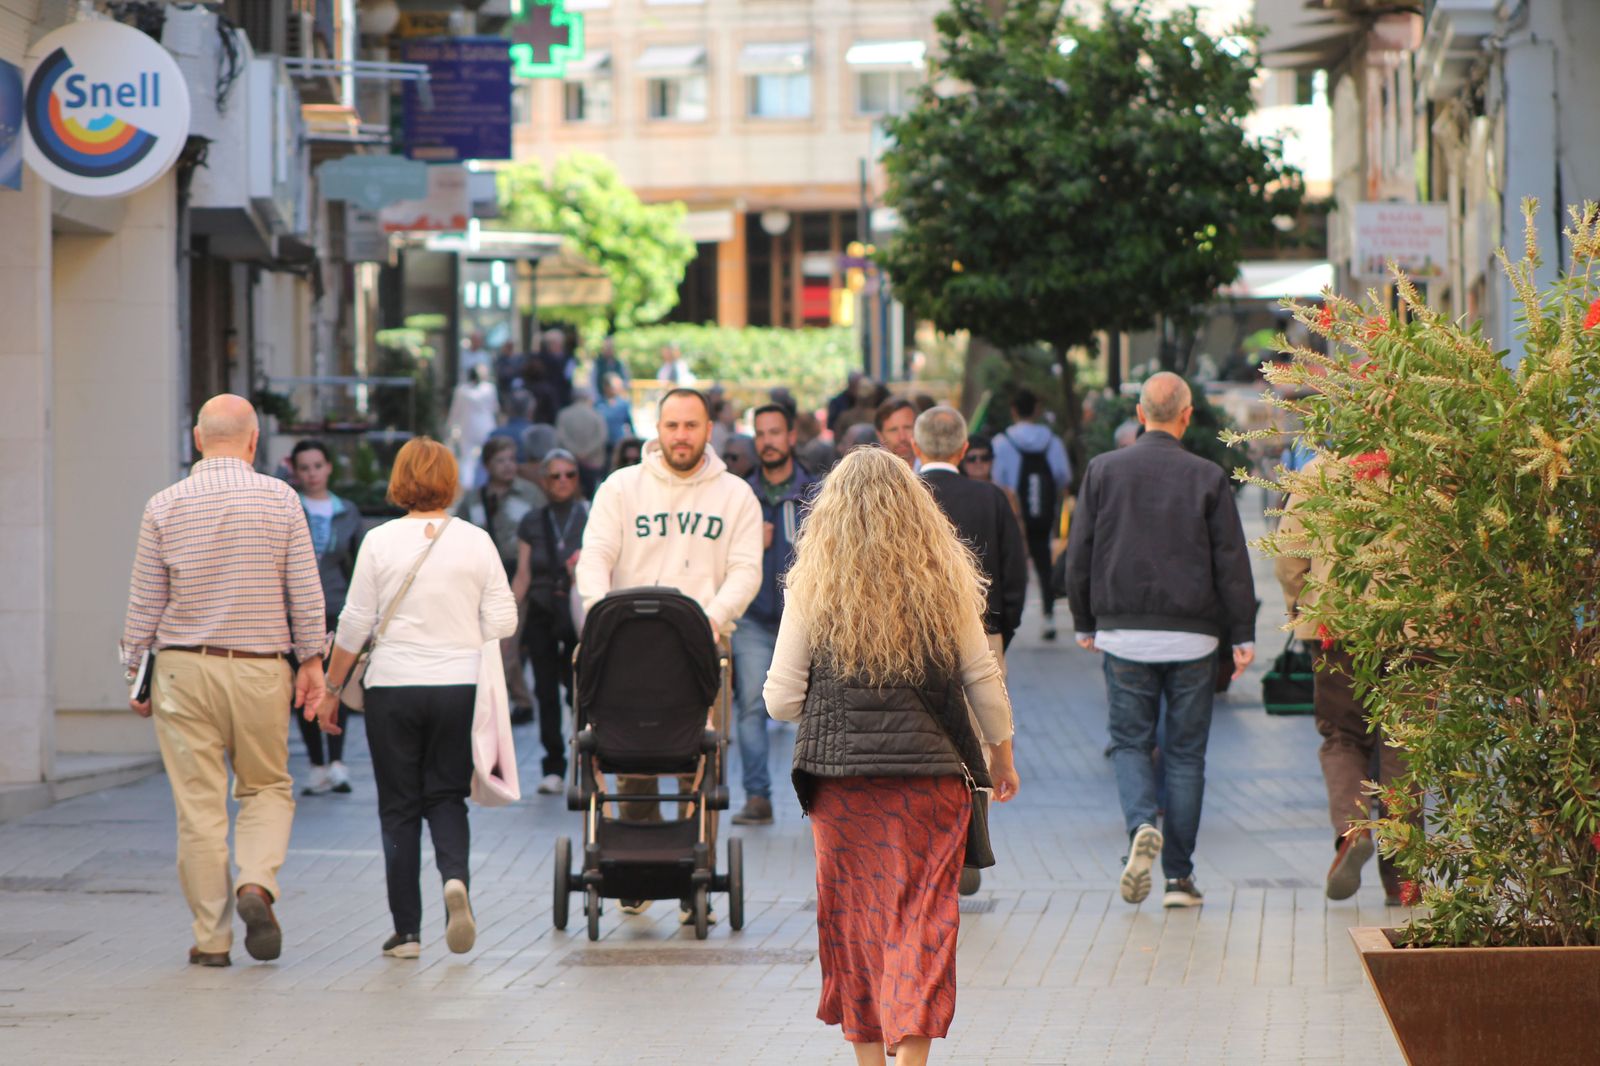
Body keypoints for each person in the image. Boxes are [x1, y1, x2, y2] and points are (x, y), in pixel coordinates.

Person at [763, 447, 1021, 1066]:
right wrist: (1001, 758)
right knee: (922, 922)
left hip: (840, 787)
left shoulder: (812, 584)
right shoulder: (945, 580)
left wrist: (832, 707)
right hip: (929, 783)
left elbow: (778, 699)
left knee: (854, 923)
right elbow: (982, 675)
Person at [120, 394, 327, 967]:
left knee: (199, 806)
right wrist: (313, 662)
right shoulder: (281, 499)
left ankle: (211, 940)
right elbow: (306, 593)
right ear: (255, 441)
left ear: (197, 439)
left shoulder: (164, 504)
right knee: (266, 787)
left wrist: (135, 672)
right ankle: (256, 884)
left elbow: (144, 602)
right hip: (261, 668)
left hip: (184, 670)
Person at [1062, 372, 1256, 910]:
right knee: (1186, 756)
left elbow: (1081, 551)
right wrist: (1241, 633)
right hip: (1194, 638)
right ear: (1187, 416)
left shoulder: (1103, 471)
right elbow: (1232, 562)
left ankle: (1142, 824)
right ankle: (1179, 879)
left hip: (1124, 632)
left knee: (1129, 741)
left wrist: (1083, 620)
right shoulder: (1209, 476)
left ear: (1141, 413)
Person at [318, 438, 518, 959]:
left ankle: (406, 931)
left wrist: (331, 689)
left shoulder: (379, 541)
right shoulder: (475, 540)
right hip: (457, 686)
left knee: (399, 809)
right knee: (446, 797)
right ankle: (455, 880)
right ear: (450, 480)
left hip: (393, 687)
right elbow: (504, 620)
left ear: (399, 479)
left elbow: (355, 622)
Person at [576, 387, 763, 920]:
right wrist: (599, 612)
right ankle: (633, 872)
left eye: (691, 426)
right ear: (656, 429)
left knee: (698, 763)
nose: (681, 435)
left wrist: (710, 620)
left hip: (703, 648)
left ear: (710, 430)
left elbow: (746, 570)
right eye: (672, 425)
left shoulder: (735, 496)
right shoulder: (621, 488)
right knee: (632, 761)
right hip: (628, 652)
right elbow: (595, 558)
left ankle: (689, 875)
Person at [1276, 457, 1409, 905]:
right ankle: (1405, 882)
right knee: (1404, 745)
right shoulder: (1430, 466)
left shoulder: (1319, 472)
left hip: (1338, 628)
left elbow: (1290, 553)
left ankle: (1353, 833)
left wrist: (1301, 609)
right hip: (1414, 629)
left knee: (1343, 737)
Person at [729, 404, 820, 827]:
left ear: (790, 437)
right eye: (760, 433)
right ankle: (757, 797)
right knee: (750, 705)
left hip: (805, 617)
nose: (767, 441)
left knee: (816, 707)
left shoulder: (815, 492)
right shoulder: (737, 495)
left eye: (774, 432)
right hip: (752, 617)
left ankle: (818, 796)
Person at [915, 410, 1027, 659]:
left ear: (916, 446)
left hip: (915, 638)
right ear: (964, 449)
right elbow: (1014, 573)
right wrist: (1000, 630)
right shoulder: (991, 497)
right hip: (982, 631)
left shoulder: (899, 497)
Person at [512, 449, 589, 797]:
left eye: (569, 474)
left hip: (577, 612)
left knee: (580, 691)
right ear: (544, 481)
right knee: (545, 691)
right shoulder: (532, 521)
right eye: (555, 475)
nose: (563, 481)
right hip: (542, 612)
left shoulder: (590, 515)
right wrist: (507, 618)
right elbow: (523, 574)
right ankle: (553, 765)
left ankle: (587, 756)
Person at [290, 439, 365, 795]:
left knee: (335, 684)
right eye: (304, 468)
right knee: (302, 689)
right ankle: (316, 764)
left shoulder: (346, 510)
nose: (312, 474)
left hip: (336, 607)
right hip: (295, 613)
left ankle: (337, 762)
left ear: (329, 467)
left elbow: (358, 564)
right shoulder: (287, 504)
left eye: (317, 466)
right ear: (295, 470)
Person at [454, 436, 545, 724]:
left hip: (520, 573)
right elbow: (459, 534)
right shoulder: (473, 499)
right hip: (483, 577)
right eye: (500, 460)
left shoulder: (529, 494)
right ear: (487, 465)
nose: (507, 466)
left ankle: (505, 702)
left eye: (511, 459)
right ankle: (520, 699)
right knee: (492, 639)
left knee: (508, 640)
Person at [993, 389, 1072, 640]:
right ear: (1036, 410)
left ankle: (1008, 616)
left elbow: (996, 478)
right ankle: (1048, 616)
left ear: (1013, 410)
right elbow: (1063, 476)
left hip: (1013, 513)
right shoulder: (1052, 441)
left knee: (1010, 565)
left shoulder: (1002, 441)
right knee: (1043, 563)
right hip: (1043, 513)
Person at [445, 365, 500, 485]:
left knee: (467, 459)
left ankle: (468, 485)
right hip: (486, 426)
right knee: (487, 457)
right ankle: (484, 482)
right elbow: (495, 408)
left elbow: (455, 411)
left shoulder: (461, 391)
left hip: (467, 427)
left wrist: (450, 427)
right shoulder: (489, 389)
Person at [556, 385, 610, 495]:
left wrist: (575, 452)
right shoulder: (596, 415)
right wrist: (586, 452)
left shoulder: (563, 414)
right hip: (592, 462)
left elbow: (561, 436)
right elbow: (602, 436)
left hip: (569, 461)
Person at [959, 433, 1022, 524]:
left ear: (992, 460)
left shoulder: (1006, 495)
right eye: (972, 458)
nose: (978, 462)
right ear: (963, 462)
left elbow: (1017, 529)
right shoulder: (957, 493)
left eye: (984, 458)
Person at [487, 390, 537, 462]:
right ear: (531, 410)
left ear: (508, 409)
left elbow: (481, 468)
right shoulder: (538, 435)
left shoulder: (494, 436)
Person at [598, 372, 636, 453]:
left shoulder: (623, 404)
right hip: (602, 446)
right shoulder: (598, 404)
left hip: (619, 444)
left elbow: (630, 424)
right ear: (606, 387)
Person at [874, 397, 917, 466]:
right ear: (880, 435)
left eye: (907, 428)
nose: (902, 437)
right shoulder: (874, 474)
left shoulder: (933, 470)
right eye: (893, 430)